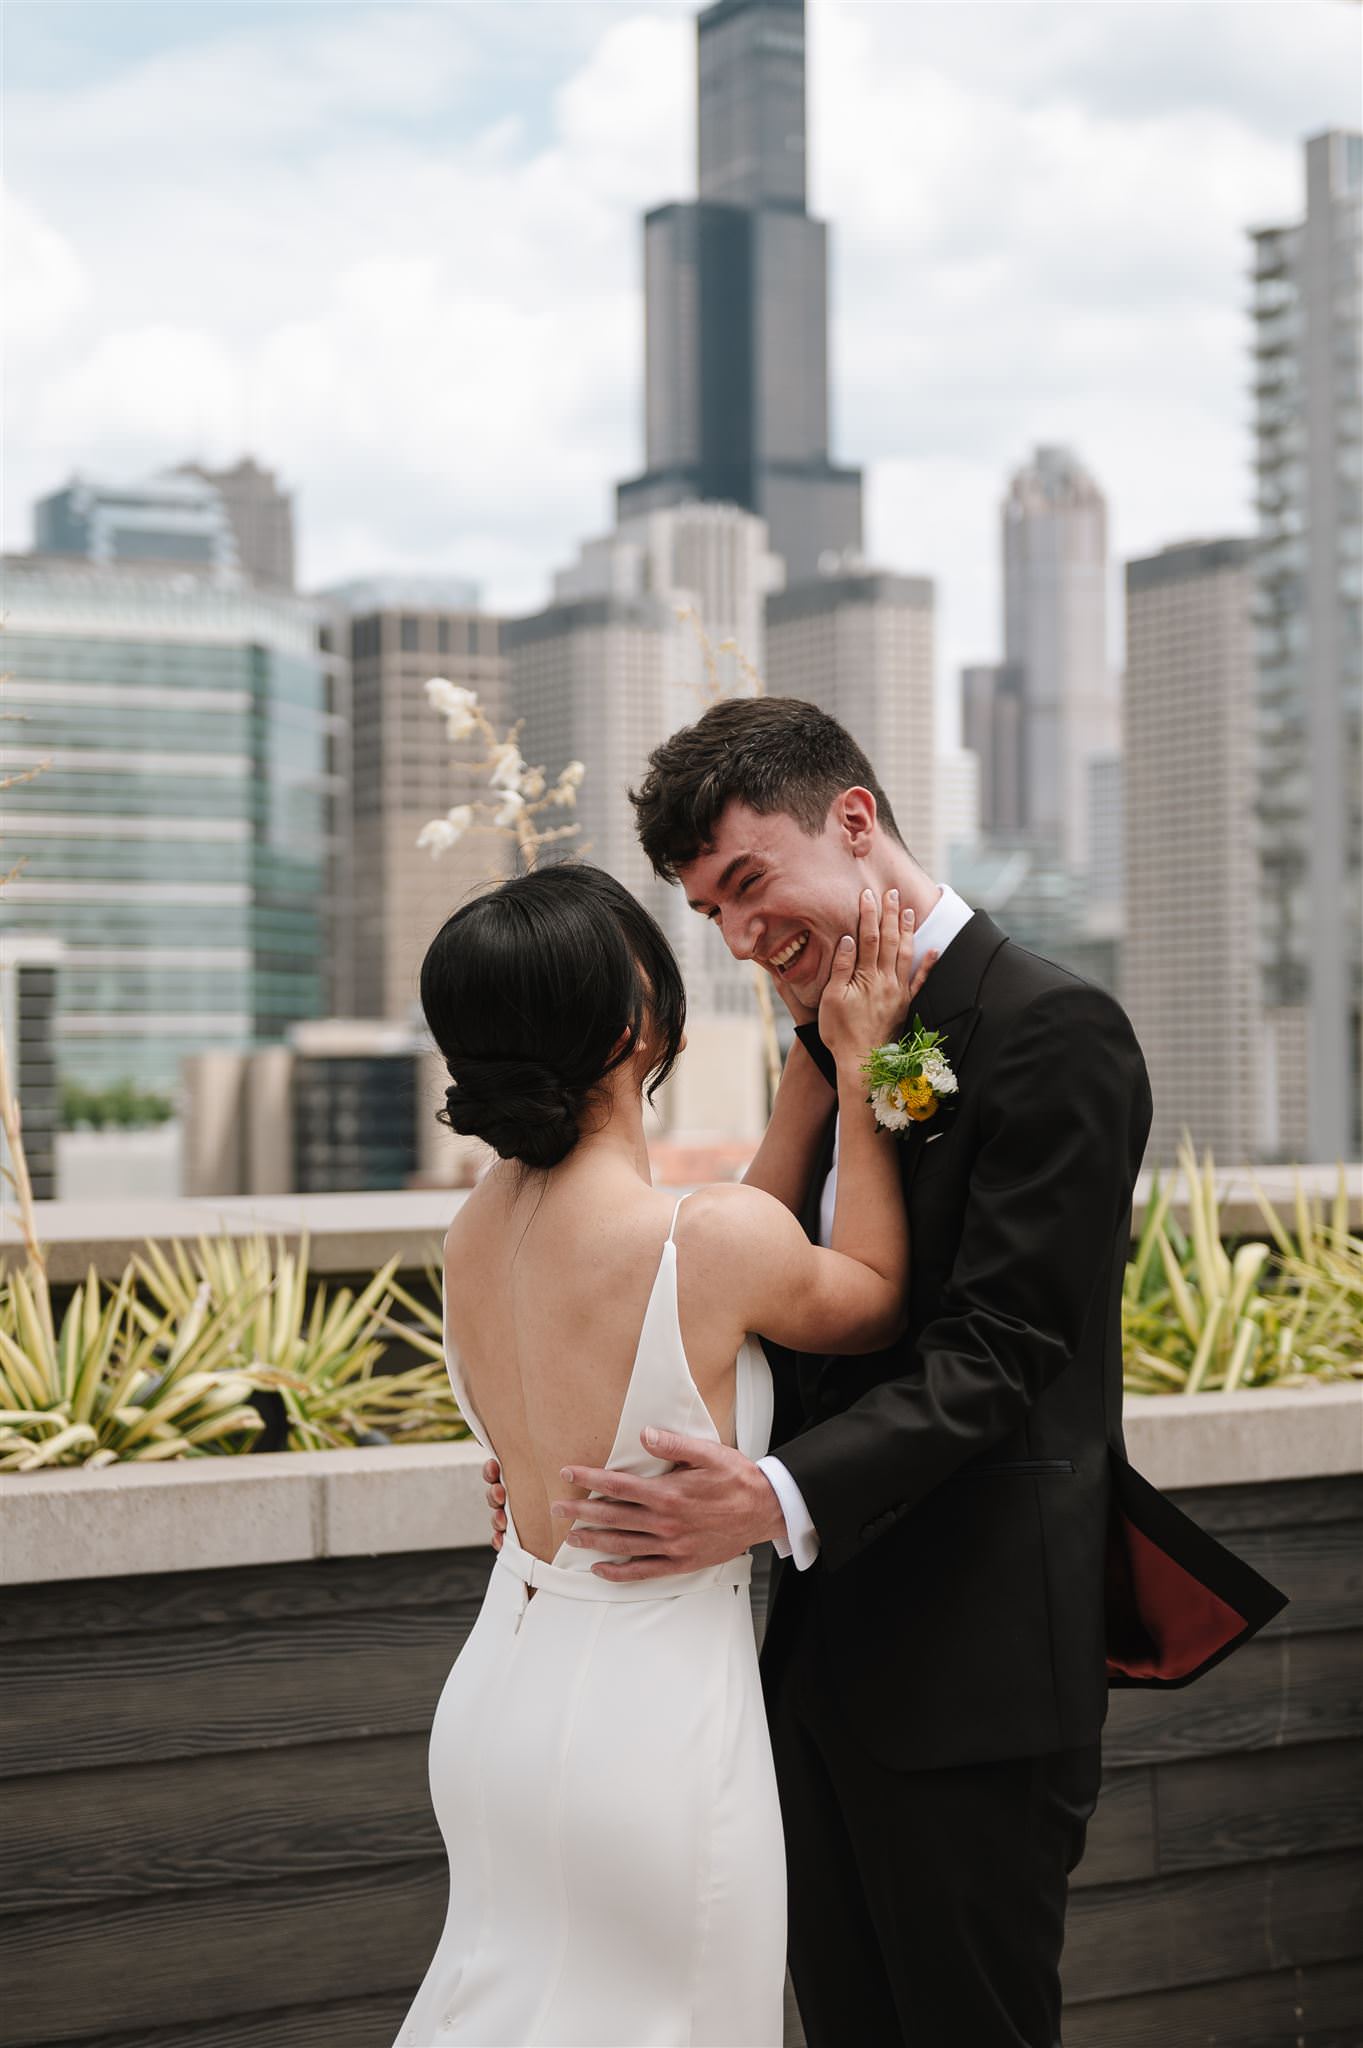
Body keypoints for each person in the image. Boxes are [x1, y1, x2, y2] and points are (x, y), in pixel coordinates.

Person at [484, 697, 1148, 2048]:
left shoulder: (1051, 1028)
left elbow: (997, 1352)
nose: (735, 938)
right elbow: (776, 1289)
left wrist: (770, 1495)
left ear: (851, 821)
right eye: (707, 914)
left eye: (746, 885)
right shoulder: (852, 1040)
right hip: (796, 1663)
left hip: (967, 1667)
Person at [395, 858, 936, 2048]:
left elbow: (710, 1255)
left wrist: (811, 1070)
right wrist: (857, 1069)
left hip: (497, 1695)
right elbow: (879, 1293)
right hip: (651, 1718)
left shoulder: (472, 1231)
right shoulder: (704, 1241)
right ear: (637, 1021)